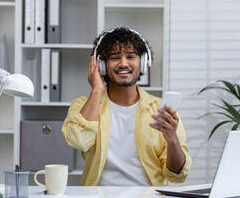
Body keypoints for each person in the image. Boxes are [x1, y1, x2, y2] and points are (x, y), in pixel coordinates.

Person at [62, 27, 192, 186]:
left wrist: (172, 140)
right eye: (115, 57)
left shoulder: (161, 110)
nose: (123, 64)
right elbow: (78, 141)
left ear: (142, 63)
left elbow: (177, 176)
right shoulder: (83, 105)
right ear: (101, 65)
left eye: (131, 56)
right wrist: (96, 90)